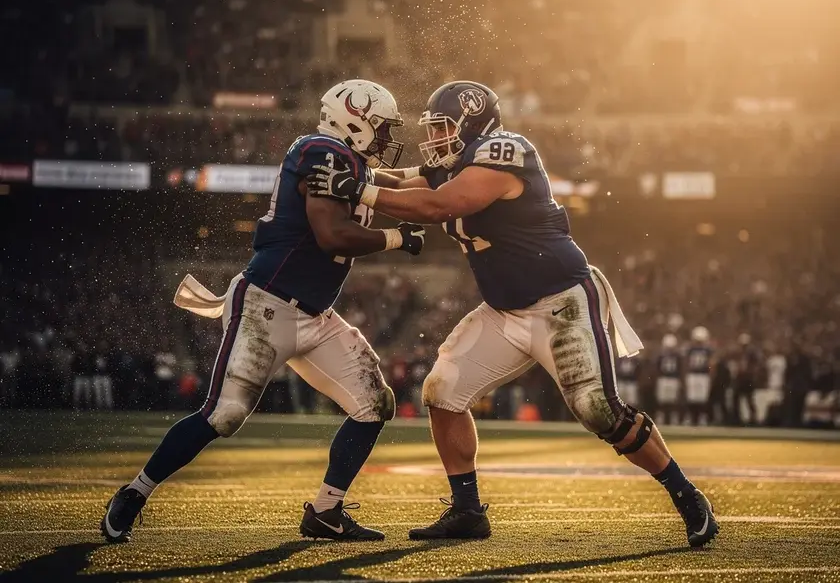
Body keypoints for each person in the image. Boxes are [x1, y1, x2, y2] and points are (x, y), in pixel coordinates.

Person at [307, 80, 719, 548]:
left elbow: (445, 204)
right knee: (442, 392)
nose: (436, 137)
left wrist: (357, 190)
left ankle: (687, 496)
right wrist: (343, 168)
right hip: (504, 311)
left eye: (444, 127)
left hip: (560, 302)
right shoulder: (456, 163)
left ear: (473, 122)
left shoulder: (506, 151)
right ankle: (466, 511)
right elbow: (403, 181)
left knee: (600, 411)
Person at [100, 80, 426, 544]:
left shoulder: (349, 161)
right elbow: (331, 234)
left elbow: (402, 182)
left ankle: (326, 512)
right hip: (267, 307)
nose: (386, 140)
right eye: (381, 129)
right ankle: (136, 491)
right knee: (223, 415)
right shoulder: (321, 150)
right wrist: (398, 238)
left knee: (374, 404)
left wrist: (447, 175)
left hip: (316, 315)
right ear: (355, 119)